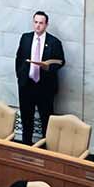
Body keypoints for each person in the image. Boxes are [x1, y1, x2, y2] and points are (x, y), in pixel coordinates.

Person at [14, 10, 63, 145]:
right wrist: (20, 76)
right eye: (36, 22)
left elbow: (61, 62)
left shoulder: (54, 42)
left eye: (41, 23)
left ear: (46, 24)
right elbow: (19, 58)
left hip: (44, 87)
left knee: (46, 119)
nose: (38, 25)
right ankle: (26, 146)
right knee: (26, 118)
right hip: (27, 85)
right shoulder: (26, 38)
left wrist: (48, 67)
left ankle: (46, 148)